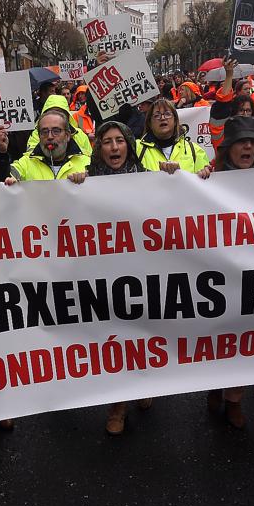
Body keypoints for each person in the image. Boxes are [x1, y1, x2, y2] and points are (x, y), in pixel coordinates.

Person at [64, 120, 154, 435]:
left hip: (140, 273)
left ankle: (142, 383)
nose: (114, 147)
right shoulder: (86, 181)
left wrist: (174, 180)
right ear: (99, 148)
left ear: (128, 144)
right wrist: (75, 186)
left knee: (141, 333)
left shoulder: (148, 179)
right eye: (107, 142)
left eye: (119, 141)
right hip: (104, 278)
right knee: (113, 339)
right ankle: (117, 406)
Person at [197, 116, 254, 429]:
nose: (248, 146)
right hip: (218, 276)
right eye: (242, 141)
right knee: (220, 339)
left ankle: (235, 400)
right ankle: (215, 386)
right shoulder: (212, 178)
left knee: (246, 341)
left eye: (253, 141)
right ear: (228, 148)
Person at [5, 105, 91, 183]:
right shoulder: (25, 163)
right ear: (39, 136)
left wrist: (89, 180)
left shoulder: (87, 163)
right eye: (44, 132)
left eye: (56, 131)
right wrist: (0, 154)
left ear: (67, 135)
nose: (49, 136)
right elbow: (1, 178)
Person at [138, 99, 211, 174]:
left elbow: (203, 182)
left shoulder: (195, 151)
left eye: (167, 114)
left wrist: (204, 173)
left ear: (175, 120)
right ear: (150, 123)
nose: (163, 118)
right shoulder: (137, 149)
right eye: (157, 115)